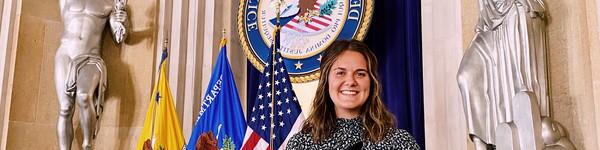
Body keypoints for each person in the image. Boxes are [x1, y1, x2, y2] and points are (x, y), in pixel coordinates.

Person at [286, 40, 420, 149]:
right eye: (340, 73)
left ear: (372, 83)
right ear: (326, 81)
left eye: (360, 74)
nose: (350, 81)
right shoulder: (301, 145)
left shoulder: (400, 143)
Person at [54, 0, 127, 149]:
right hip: (65, 53)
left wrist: (120, 21)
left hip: (91, 57)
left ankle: (88, 145)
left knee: (84, 97)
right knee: (65, 107)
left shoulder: (109, 3)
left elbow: (118, 37)